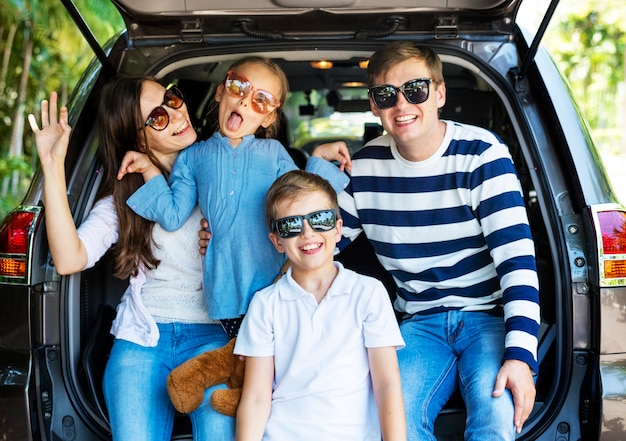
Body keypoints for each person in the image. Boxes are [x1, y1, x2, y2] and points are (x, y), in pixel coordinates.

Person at [335, 41, 541, 440]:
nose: (401, 104)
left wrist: (519, 356)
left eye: (415, 89)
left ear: (439, 93)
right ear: (374, 105)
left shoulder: (482, 154)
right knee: (394, 424)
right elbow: (320, 242)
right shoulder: (363, 168)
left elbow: (517, 262)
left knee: (495, 420)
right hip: (419, 321)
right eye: (385, 95)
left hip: (489, 318)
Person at [28, 77, 236, 441]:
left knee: (221, 429)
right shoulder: (124, 201)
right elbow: (69, 259)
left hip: (214, 337)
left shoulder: (221, 171)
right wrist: (52, 166)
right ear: (137, 139)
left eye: (171, 99)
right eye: (157, 117)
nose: (176, 113)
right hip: (143, 338)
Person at [119, 56, 350, 336]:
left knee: (278, 364)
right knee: (236, 361)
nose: (244, 101)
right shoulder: (192, 157)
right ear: (220, 92)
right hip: (224, 292)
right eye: (238, 87)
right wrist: (148, 169)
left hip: (277, 284)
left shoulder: (274, 153)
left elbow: (305, 201)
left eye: (261, 100)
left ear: (268, 117)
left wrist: (316, 160)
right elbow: (172, 216)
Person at [233, 170, 406, 441]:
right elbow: (256, 397)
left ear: (338, 228)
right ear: (277, 241)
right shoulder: (265, 304)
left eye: (320, 220)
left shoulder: (368, 293)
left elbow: (386, 384)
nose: (307, 233)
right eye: (290, 226)